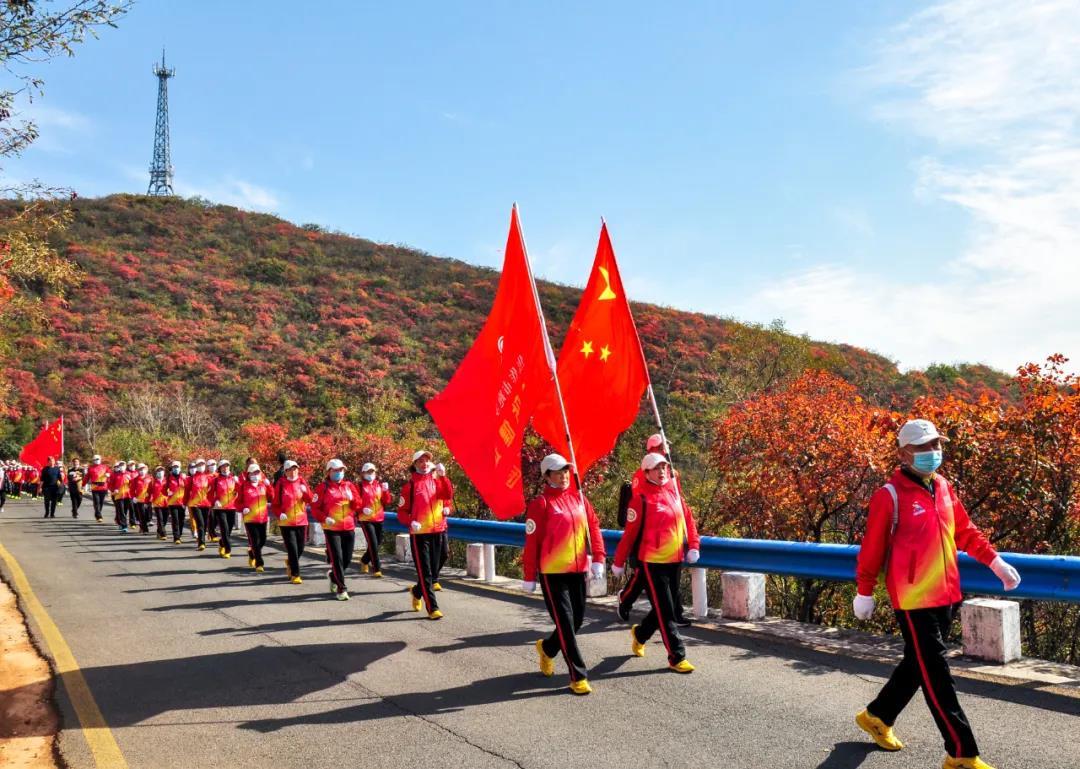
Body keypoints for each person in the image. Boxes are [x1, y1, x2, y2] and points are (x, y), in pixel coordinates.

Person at [852, 419, 1021, 769]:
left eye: (936, 445)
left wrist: (995, 562)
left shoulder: (942, 486)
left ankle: (878, 716)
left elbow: (966, 531)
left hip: (947, 593)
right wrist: (864, 590)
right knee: (937, 674)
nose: (933, 452)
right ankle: (961, 753)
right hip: (913, 599)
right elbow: (872, 548)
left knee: (919, 665)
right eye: (924, 446)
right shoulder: (889, 496)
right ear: (903, 453)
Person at [523, 453, 606, 695]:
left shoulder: (579, 498)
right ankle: (578, 675)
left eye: (566, 471)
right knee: (566, 625)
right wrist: (529, 576)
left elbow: (593, 527)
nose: (563, 476)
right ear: (546, 476)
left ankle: (548, 649)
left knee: (576, 621)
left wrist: (599, 557)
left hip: (578, 570)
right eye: (558, 473)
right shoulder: (541, 504)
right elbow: (531, 543)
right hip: (553, 572)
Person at [613, 452, 701, 674]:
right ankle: (677, 656)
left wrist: (694, 546)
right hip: (652, 563)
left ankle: (640, 634)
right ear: (646, 473)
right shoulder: (640, 500)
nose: (662, 471)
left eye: (664, 467)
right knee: (666, 611)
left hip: (675, 560)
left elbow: (689, 521)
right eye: (656, 468)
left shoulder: (675, 494)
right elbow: (629, 536)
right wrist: (618, 562)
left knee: (665, 607)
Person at [618, 433, 692, 626]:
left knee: (661, 578)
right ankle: (626, 599)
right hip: (645, 533)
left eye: (666, 447)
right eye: (663, 447)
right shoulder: (641, 474)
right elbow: (640, 501)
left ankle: (674, 613)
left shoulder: (671, 472)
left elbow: (678, 498)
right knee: (642, 574)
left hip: (668, 533)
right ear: (653, 449)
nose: (667, 450)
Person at [397, 450, 454, 618]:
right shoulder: (410, 486)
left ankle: (416, 591)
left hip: (439, 529)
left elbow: (448, 496)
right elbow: (401, 512)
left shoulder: (437, 480)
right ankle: (433, 608)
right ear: (414, 464)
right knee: (426, 572)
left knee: (440, 560)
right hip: (420, 533)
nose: (425, 463)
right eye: (420, 461)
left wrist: (443, 478)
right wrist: (410, 521)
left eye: (427, 460)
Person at [311, 458, 361, 600]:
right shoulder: (322, 488)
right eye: (336, 470)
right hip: (331, 528)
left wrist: (353, 499)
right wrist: (324, 518)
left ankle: (333, 576)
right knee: (337, 558)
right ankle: (342, 589)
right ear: (329, 472)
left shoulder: (349, 486)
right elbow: (314, 508)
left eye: (341, 470)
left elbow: (358, 505)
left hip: (348, 526)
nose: (339, 472)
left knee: (347, 559)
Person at [273, 459, 313, 583]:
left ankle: (290, 561)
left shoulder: (302, 481)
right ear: (285, 472)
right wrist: (280, 514)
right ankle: (295, 575)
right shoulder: (281, 484)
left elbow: (310, 499)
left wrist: (306, 491)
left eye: (295, 469)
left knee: (300, 548)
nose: (293, 471)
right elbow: (275, 504)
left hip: (301, 520)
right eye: (290, 469)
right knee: (292, 548)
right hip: (286, 522)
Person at [357, 461, 393, 577]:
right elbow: (354, 503)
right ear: (363, 473)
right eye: (368, 472)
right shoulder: (359, 487)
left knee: (377, 543)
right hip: (366, 519)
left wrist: (386, 491)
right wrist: (362, 509)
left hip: (379, 518)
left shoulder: (379, 486)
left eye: (372, 471)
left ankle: (364, 560)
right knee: (372, 543)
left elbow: (387, 501)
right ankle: (377, 569)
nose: (370, 474)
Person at [237, 462, 274, 572]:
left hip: (263, 517)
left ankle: (252, 552)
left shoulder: (263, 485)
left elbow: (272, 497)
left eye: (257, 472)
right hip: (250, 518)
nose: (255, 475)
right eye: (253, 473)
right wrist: (243, 508)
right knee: (255, 540)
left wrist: (269, 486)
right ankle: (259, 563)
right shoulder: (244, 486)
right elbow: (237, 502)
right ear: (248, 474)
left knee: (263, 539)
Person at [210, 460, 239, 558]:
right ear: (220, 468)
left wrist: (238, 483)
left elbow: (241, 491)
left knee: (229, 530)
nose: (225, 468)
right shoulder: (216, 480)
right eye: (223, 466)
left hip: (232, 507)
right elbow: (210, 494)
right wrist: (215, 501)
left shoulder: (233, 479)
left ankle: (222, 542)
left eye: (227, 466)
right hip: (220, 508)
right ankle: (227, 550)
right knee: (224, 529)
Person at [185, 458, 212, 551]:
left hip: (206, 503)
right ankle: (201, 543)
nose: (201, 466)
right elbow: (187, 491)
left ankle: (201, 538)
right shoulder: (191, 478)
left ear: (205, 465)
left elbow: (213, 490)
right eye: (199, 465)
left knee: (205, 523)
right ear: (196, 466)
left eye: (202, 464)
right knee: (200, 523)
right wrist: (185, 502)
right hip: (195, 504)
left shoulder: (209, 477)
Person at [165, 460, 187, 544]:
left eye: (177, 467)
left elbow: (188, 488)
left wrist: (186, 500)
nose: (176, 468)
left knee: (181, 520)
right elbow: (164, 489)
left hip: (182, 502)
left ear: (180, 468)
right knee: (175, 520)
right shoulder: (169, 478)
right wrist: (167, 492)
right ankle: (176, 537)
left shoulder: (184, 477)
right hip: (172, 502)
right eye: (174, 467)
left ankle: (179, 534)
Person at [83, 454, 110, 522]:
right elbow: (87, 477)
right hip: (95, 487)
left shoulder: (105, 467)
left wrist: (108, 474)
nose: (97, 460)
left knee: (101, 502)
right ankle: (99, 516)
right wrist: (83, 484)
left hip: (103, 487)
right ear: (93, 460)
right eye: (95, 459)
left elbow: (110, 473)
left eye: (98, 459)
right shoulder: (91, 468)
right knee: (96, 502)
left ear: (100, 460)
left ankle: (97, 513)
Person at [108, 461, 131, 532]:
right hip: (118, 495)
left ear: (126, 466)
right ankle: (124, 526)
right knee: (121, 511)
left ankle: (121, 522)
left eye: (123, 465)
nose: (122, 467)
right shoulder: (115, 475)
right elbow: (110, 485)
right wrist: (113, 490)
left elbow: (133, 484)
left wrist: (131, 480)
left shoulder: (129, 474)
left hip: (127, 495)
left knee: (125, 511)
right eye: (120, 466)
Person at [149, 466, 170, 540]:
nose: (160, 472)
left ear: (164, 472)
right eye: (158, 471)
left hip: (166, 503)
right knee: (160, 519)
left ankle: (159, 531)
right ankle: (163, 534)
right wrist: (148, 502)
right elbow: (149, 492)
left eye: (161, 471)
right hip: (157, 504)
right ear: (156, 473)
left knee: (165, 519)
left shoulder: (167, 481)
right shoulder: (153, 482)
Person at [131, 463, 152, 533]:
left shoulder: (150, 478)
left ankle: (142, 526)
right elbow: (132, 490)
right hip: (139, 500)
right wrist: (133, 497)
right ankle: (145, 529)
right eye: (140, 469)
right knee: (142, 515)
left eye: (143, 469)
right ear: (138, 470)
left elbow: (153, 489)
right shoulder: (135, 479)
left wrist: (152, 496)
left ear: (146, 470)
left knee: (147, 515)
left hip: (148, 500)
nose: (142, 471)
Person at [204, 459, 220, 542]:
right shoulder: (205, 476)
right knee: (212, 517)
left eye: (214, 465)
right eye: (211, 465)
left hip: (219, 500)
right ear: (208, 467)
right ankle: (212, 534)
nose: (213, 466)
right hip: (209, 500)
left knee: (217, 518)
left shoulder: (218, 475)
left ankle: (210, 531)